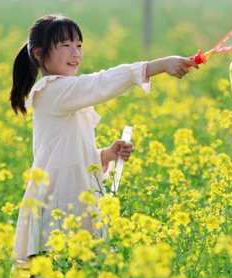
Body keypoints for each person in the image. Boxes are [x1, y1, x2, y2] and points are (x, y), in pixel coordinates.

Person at [10, 14, 196, 262]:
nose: (75, 53)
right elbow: (99, 83)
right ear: (39, 53)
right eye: (65, 46)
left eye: (79, 45)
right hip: (59, 206)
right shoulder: (53, 90)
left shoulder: (65, 93)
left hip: (72, 201)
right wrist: (158, 66)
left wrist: (105, 155)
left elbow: (67, 156)